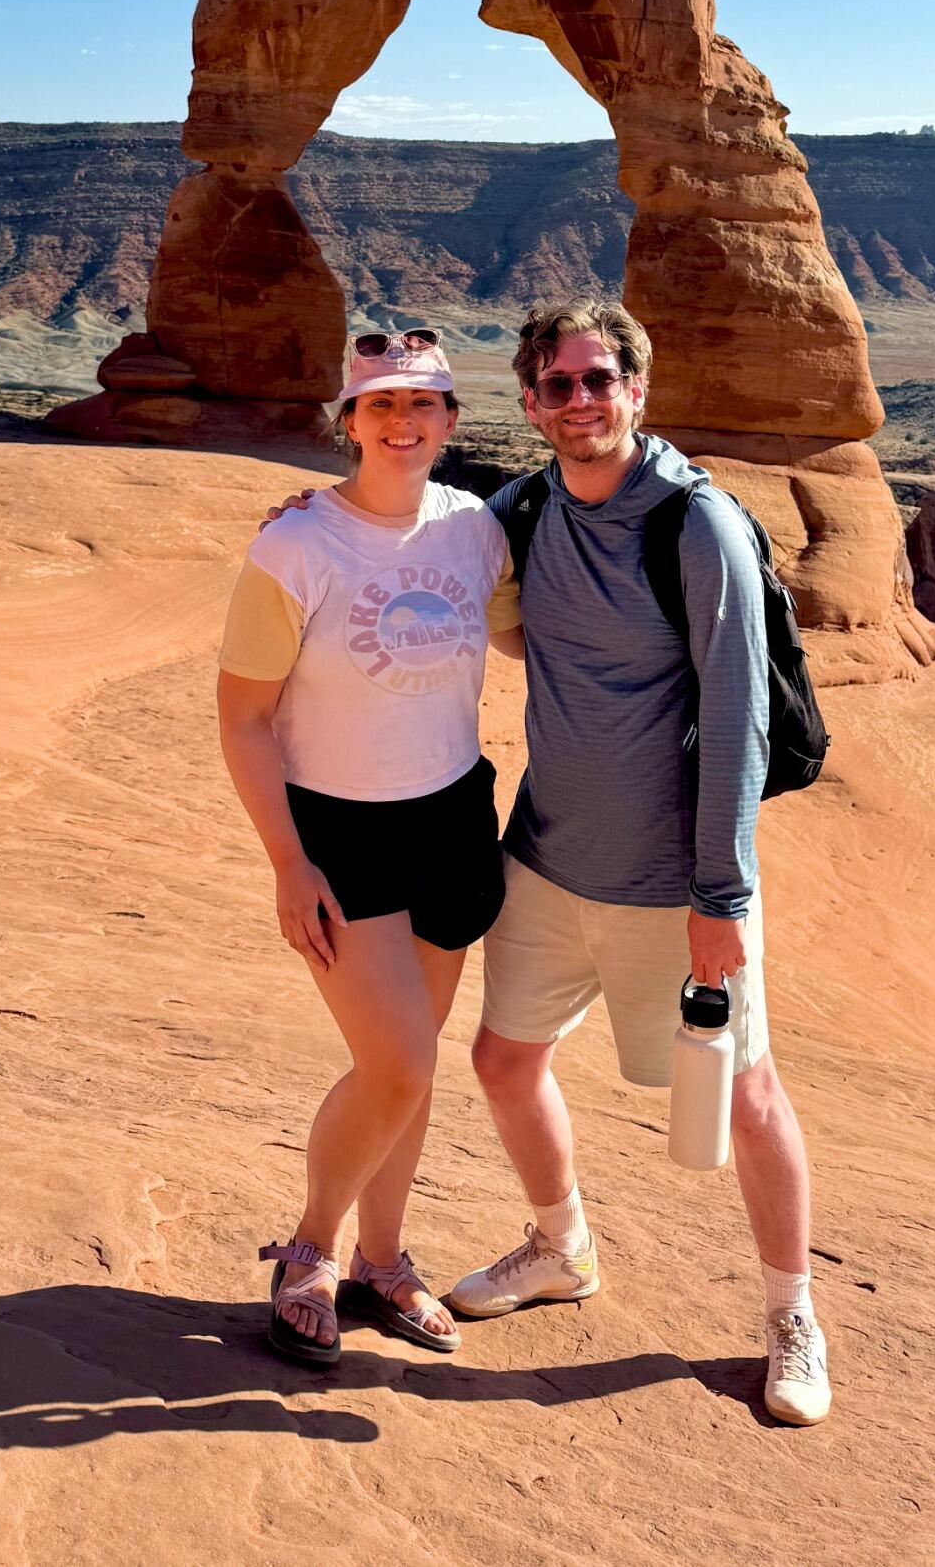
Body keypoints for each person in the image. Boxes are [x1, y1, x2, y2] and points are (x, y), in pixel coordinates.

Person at [447, 298, 831, 1427]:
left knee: (748, 1098)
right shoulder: (522, 510)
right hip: (548, 863)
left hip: (677, 888)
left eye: (599, 379)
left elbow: (742, 719)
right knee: (505, 1061)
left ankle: (791, 1315)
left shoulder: (695, 526)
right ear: (530, 403)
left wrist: (722, 893)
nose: (580, 401)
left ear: (638, 389)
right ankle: (561, 1247)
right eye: (558, 385)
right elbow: (403, 535)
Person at [216, 326, 521, 1367]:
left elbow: (532, 625)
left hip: (451, 815)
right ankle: (312, 1246)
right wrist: (287, 862)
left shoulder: (476, 531)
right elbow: (244, 718)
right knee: (396, 1062)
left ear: (448, 420)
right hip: (340, 831)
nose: (402, 422)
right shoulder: (295, 545)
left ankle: (384, 1262)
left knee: (416, 1068)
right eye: (380, 405)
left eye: (422, 404)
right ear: (347, 421)